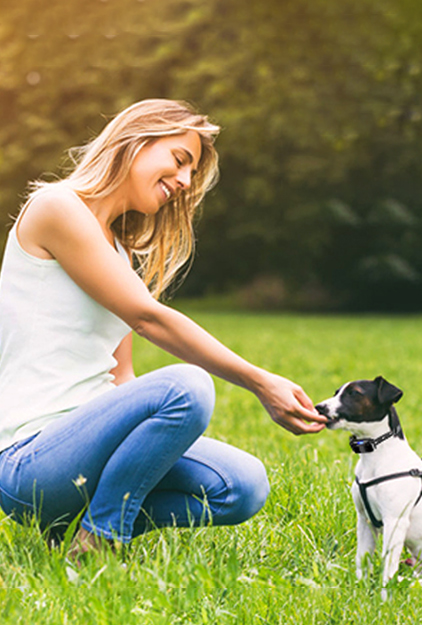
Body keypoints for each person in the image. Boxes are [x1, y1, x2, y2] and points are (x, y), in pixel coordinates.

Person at [0, 99, 326, 558]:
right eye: (179, 159)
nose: (185, 181)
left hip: (90, 450)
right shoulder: (56, 207)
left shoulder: (118, 254)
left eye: (191, 172)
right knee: (187, 386)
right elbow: (147, 317)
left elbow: (122, 379)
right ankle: (101, 539)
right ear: (136, 141)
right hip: (30, 461)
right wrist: (259, 381)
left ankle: (76, 524)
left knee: (242, 485)